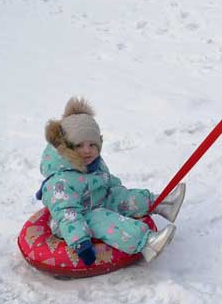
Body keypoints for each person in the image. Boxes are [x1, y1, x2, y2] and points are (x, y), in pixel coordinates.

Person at [36, 96, 186, 264]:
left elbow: (106, 180)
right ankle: (146, 243)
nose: (87, 151)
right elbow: (67, 213)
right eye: (79, 145)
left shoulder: (93, 163)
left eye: (92, 145)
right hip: (76, 220)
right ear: (66, 148)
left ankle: (163, 204)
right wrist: (81, 244)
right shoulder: (59, 182)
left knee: (121, 197)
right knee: (101, 217)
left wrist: (121, 193)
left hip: (99, 200)